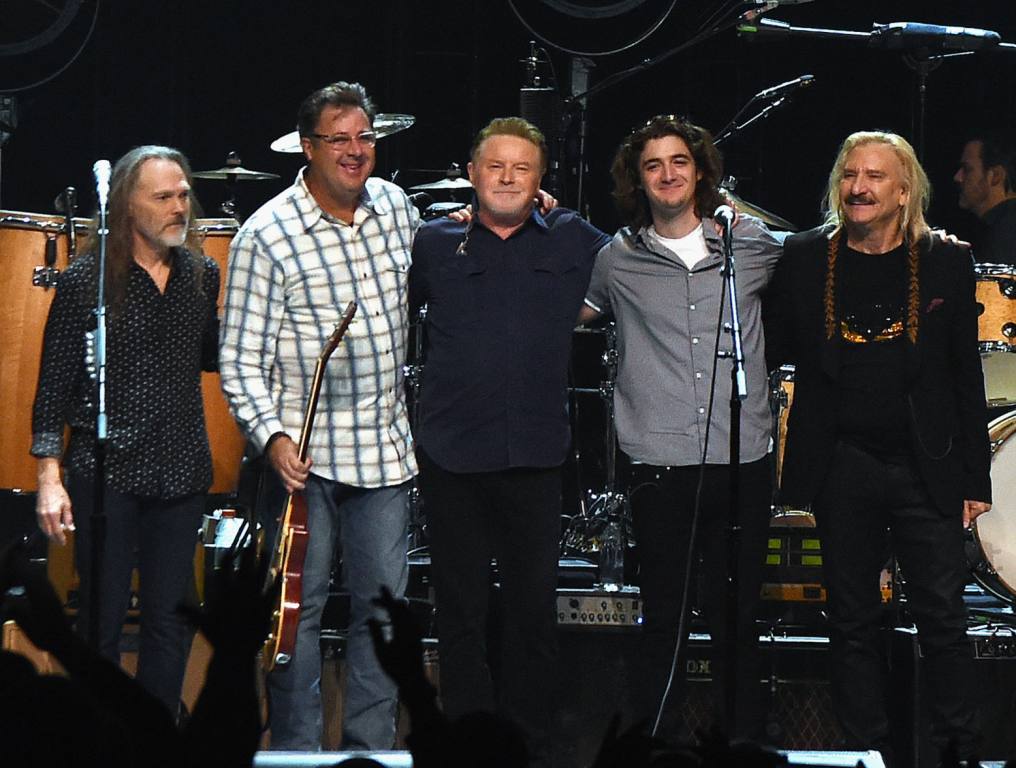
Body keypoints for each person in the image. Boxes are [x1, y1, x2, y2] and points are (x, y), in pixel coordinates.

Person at [769, 131, 992, 766]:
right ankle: (867, 749)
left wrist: (976, 478)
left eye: (873, 178)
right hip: (843, 463)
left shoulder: (945, 258)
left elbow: (963, 375)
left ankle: (958, 748)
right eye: (849, 176)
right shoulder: (807, 256)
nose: (859, 188)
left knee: (943, 617)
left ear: (903, 191)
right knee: (852, 619)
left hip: (928, 465)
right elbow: (776, 343)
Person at [219, 81, 418, 750]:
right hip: (304, 464)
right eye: (341, 139)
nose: (357, 151)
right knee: (293, 619)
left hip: (385, 455)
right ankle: (296, 755)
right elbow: (240, 359)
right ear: (308, 148)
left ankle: (373, 752)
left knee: (383, 618)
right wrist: (270, 437)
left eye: (366, 137)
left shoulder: (395, 208)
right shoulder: (266, 234)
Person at [409, 116, 610, 765]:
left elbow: (633, 270)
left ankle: (530, 747)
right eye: (495, 165)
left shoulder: (576, 238)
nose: (506, 177)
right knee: (461, 616)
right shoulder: (433, 242)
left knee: (533, 617)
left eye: (521, 168)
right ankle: (466, 745)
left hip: (534, 454)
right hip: (451, 455)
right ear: (471, 172)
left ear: (539, 178)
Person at [578, 115, 782, 739]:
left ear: (700, 172)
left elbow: (833, 249)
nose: (668, 174)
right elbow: (570, 320)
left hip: (741, 457)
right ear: (637, 180)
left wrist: (926, 241)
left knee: (737, 618)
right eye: (653, 165)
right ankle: (654, 745)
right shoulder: (616, 259)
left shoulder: (749, 247)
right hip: (659, 463)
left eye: (679, 162)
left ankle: (740, 743)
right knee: (663, 616)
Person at [31, 145, 220, 717]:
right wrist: (48, 474)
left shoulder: (201, 275)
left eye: (183, 195)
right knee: (102, 618)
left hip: (181, 467)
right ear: (126, 206)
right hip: (106, 471)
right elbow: (53, 384)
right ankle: (98, 736)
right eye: (163, 197)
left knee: (170, 621)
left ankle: (156, 735)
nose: (178, 207)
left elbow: (211, 357)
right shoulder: (88, 280)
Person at [953, 132, 1016, 265]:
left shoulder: (1006, 233)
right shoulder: (998, 227)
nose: (958, 177)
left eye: (967, 169)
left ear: (996, 176)